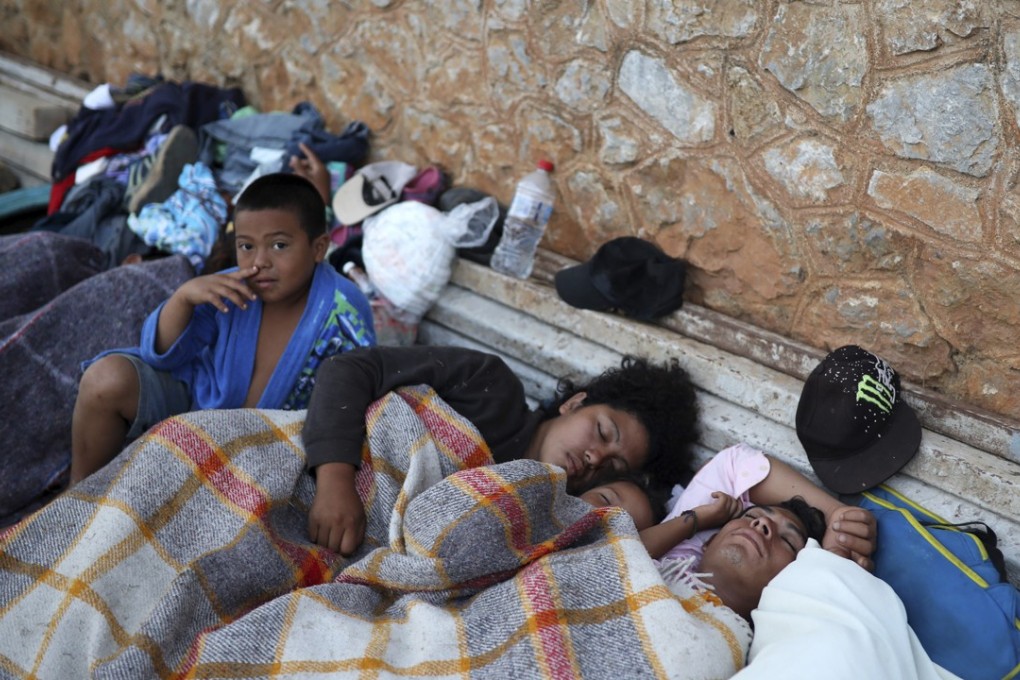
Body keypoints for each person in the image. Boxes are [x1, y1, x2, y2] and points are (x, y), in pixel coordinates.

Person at [69, 173, 376, 484]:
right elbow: (163, 357)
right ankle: (77, 497)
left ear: (318, 248)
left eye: (279, 245)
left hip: (274, 450)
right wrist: (183, 299)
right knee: (104, 379)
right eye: (246, 246)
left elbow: (352, 397)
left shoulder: (342, 308)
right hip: (196, 412)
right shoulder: (231, 288)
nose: (260, 261)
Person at [301, 344, 701, 553]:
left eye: (613, 466)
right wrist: (335, 481)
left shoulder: (539, 515)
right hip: (313, 478)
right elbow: (352, 369)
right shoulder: (489, 386)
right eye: (601, 431)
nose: (595, 457)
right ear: (574, 402)